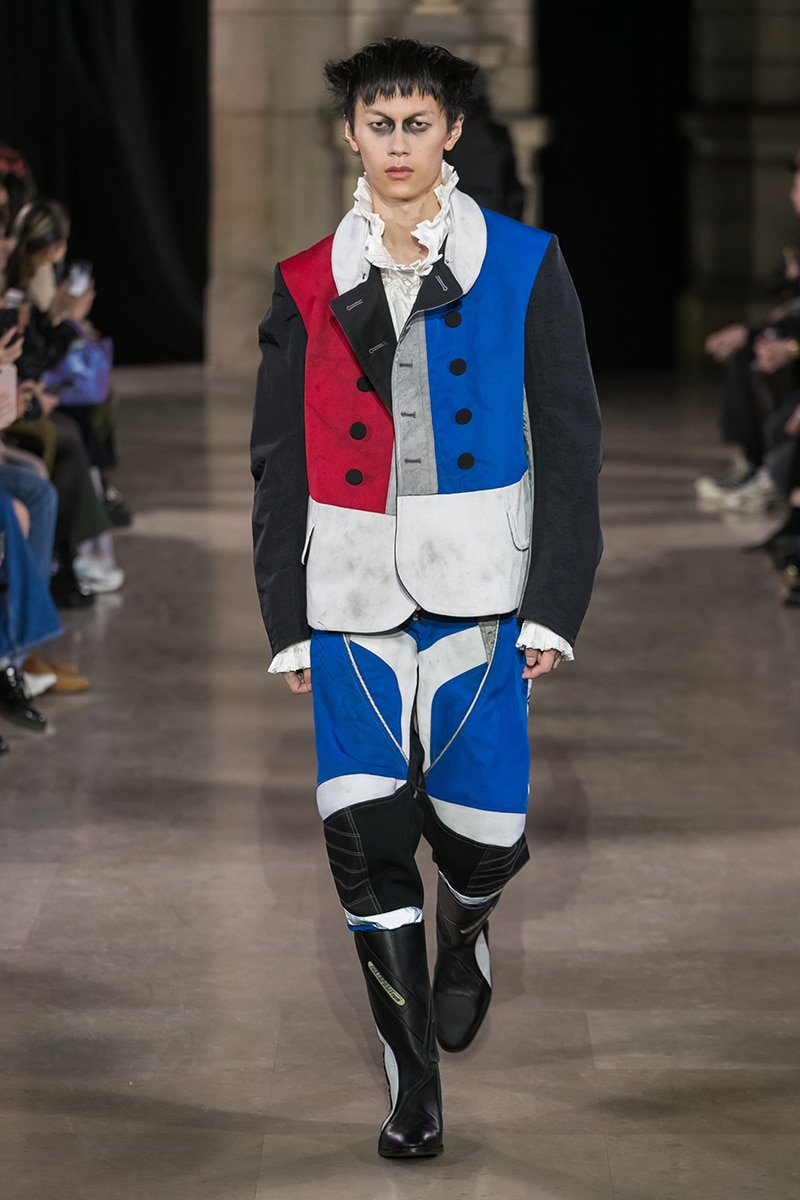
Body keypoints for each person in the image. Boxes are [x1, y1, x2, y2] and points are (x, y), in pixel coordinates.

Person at [251, 37, 602, 1160]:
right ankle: (413, 1093)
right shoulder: (306, 280)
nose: (396, 144)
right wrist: (285, 619)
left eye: (416, 124)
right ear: (349, 134)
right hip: (348, 589)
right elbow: (276, 460)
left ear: (450, 131)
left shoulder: (525, 263)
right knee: (362, 838)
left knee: (483, 836)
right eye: (378, 124)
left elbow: (572, 441)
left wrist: (554, 605)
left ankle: (472, 921)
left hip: (482, 585)